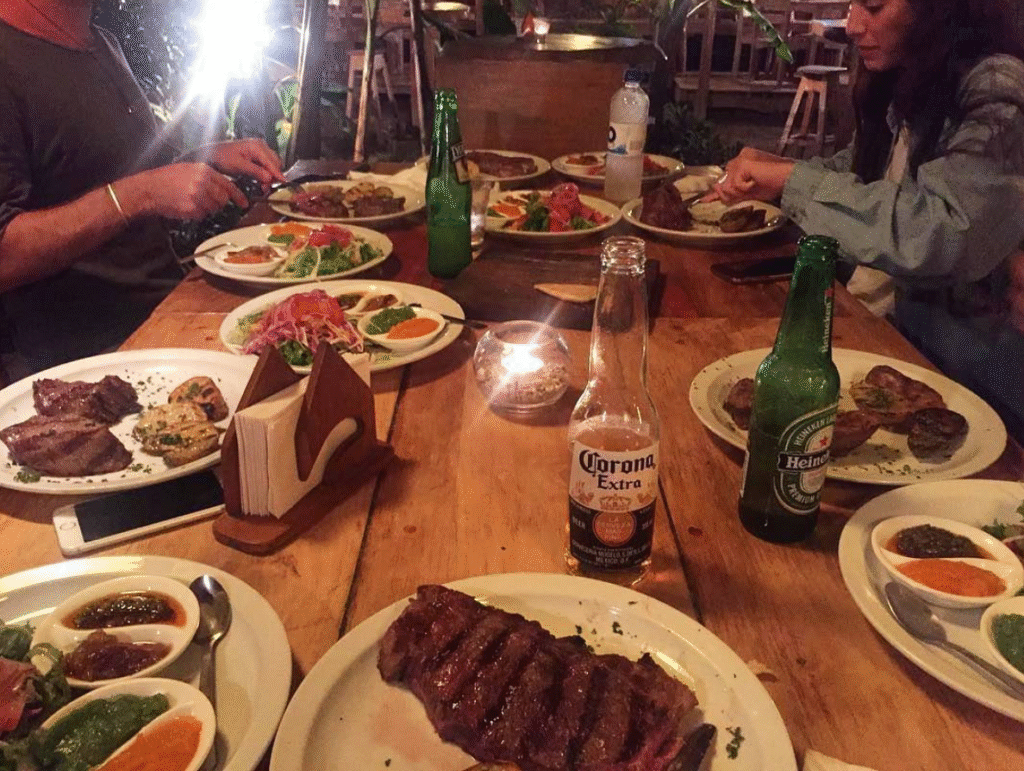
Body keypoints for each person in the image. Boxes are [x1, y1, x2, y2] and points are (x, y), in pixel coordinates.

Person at [706, 0, 1024, 439]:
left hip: (974, 379)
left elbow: (945, 231)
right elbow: (867, 171)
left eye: (873, 6)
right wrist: (777, 172)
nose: (852, 25)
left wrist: (793, 182)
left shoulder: (998, 87)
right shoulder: (914, 69)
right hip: (887, 342)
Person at [0, 0, 285, 380]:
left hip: (170, 310)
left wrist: (206, 157)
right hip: (89, 363)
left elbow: (123, 171)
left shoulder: (100, 42)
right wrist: (140, 195)